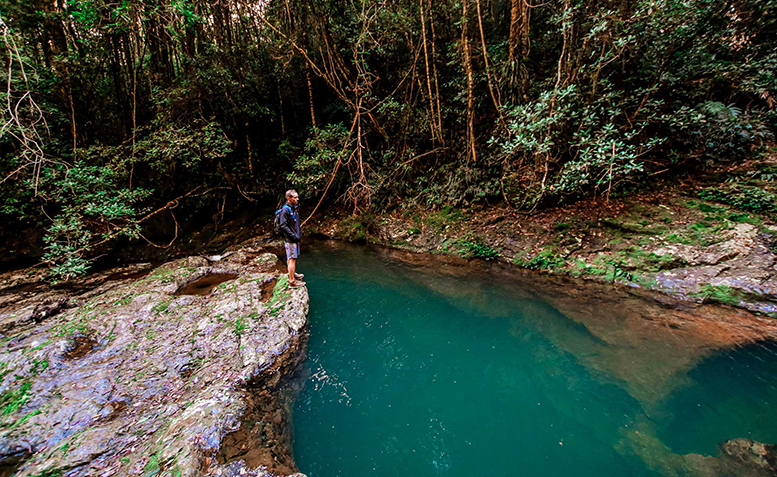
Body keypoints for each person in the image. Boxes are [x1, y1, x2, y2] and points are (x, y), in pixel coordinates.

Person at [279, 189, 306, 288]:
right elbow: (283, 225)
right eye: (295, 197)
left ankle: (292, 274)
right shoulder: (285, 210)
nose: (297, 199)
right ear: (289, 198)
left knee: (290, 258)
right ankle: (291, 281)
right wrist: (293, 236)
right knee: (292, 259)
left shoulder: (292, 208)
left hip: (293, 238)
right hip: (290, 239)